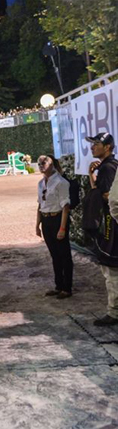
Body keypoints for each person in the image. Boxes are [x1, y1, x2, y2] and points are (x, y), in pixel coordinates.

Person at [86, 132, 118, 326]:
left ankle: (114, 312)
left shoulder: (108, 168)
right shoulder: (108, 167)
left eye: (96, 143)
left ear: (107, 147)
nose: (92, 147)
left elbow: (107, 196)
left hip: (111, 224)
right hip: (110, 222)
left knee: (111, 269)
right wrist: (91, 175)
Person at [35, 154, 73, 298]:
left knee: (64, 255)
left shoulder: (61, 182)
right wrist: (37, 225)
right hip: (46, 220)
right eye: (39, 163)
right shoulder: (41, 183)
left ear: (52, 164)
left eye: (45, 162)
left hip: (57, 219)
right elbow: (40, 204)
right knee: (54, 255)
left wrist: (62, 228)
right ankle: (59, 285)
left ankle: (67, 287)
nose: (41, 164)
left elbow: (65, 207)